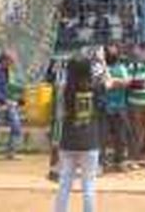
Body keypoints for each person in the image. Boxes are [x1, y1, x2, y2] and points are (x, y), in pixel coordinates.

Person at [54, 53, 101, 212]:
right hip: (89, 141)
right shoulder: (96, 87)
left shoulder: (63, 89)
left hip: (68, 140)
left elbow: (59, 115)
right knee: (88, 185)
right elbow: (106, 80)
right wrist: (102, 62)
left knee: (64, 183)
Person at [103, 43, 134, 171]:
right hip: (104, 106)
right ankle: (102, 162)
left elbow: (127, 82)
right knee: (103, 136)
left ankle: (120, 161)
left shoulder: (121, 67)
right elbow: (103, 84)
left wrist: (113, 82)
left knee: (120, 136)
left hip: (119, 106)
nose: (112, 53)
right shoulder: (102, 68)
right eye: (109, 51)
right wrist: (117, 82)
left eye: (114, 51)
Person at [0, 51, 22, 159]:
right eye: (11, 61)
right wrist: (5, 100)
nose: (12, 63)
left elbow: (7, 88)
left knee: (16, 125)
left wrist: (13, 99)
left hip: (6, 102)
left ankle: (11, 152)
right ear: (5, 60)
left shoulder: (6, 71)